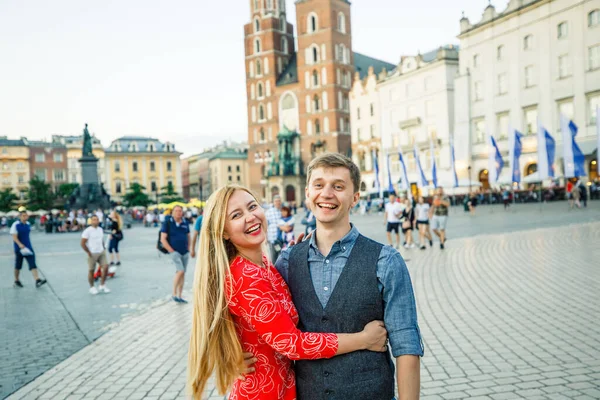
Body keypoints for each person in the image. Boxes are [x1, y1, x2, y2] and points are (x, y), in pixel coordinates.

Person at [187, 184, 388, 400]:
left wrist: (297, 256)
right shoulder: (246, 276)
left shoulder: (262, 264)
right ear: (224, 232)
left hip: (278, 389)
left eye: (252, 207)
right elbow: (292, 344)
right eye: (236, 215)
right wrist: (364, 339)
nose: (250, 217)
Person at [276, 153, 423, 400]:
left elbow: (406, 345)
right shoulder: (288, 262)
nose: (327, 194)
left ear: (355, 197)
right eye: (319, 185)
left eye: (339, 186)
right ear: (308, 193)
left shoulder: (385, 261)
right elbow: (275, 334)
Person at [160, 205, 191, 303]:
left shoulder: (185, 222)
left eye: (180, 211)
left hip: (185, 252)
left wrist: (189, 247)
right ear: (172, 212)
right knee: (180, 271)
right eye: (176, 211)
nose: (178, 212)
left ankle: (179, 295)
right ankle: (173, 294)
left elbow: (188, 236)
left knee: (182, 274)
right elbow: (163, 238)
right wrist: (171, 250)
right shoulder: (168, 223)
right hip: (175, 251)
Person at [11, 211, 47, 288]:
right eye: (23, 216)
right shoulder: (16, 225)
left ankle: (37, 280)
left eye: (26, 216)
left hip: (28, 247)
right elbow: (14, 236)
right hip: (19, 248)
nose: (25, 217)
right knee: (18, 265)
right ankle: (16, 280)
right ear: (20, 216)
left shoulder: (28, 224)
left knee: (32, 263)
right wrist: (19, 244)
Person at [81, 215, 110, 295]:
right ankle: (92, 287)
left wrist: (103, 247)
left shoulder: (100, 229)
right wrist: (88, 252)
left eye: (97, 220)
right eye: (94, 220)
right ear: (91, 221)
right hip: (92, 252)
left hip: (101, 251)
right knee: (91, 270)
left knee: (106, 267)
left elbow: (101, 239)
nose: (96, 221)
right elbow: (82, 243)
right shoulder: (87, 231)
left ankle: (102, 285)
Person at [265, 194, 283, 261]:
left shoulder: (283, 211)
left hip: (282, 239)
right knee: (274, 257)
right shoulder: (269, 212)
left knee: (282, 255)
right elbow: (265, 226)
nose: (278, 202)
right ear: (273, 202)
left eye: (279, 201)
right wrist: (265, 238)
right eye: (276, 201)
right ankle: (273, 270)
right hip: (273, 239)